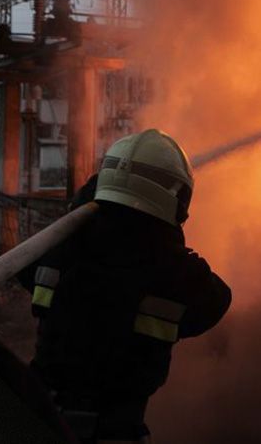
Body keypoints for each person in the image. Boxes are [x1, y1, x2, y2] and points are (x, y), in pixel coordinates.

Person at [21, 129, 232, 444]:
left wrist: (81, 210)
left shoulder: (61, 249)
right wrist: (169, 240)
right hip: (115, 431)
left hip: (40, 415)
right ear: (179, 201)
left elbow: (24, 268)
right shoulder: (176, 272)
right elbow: (217, 300)